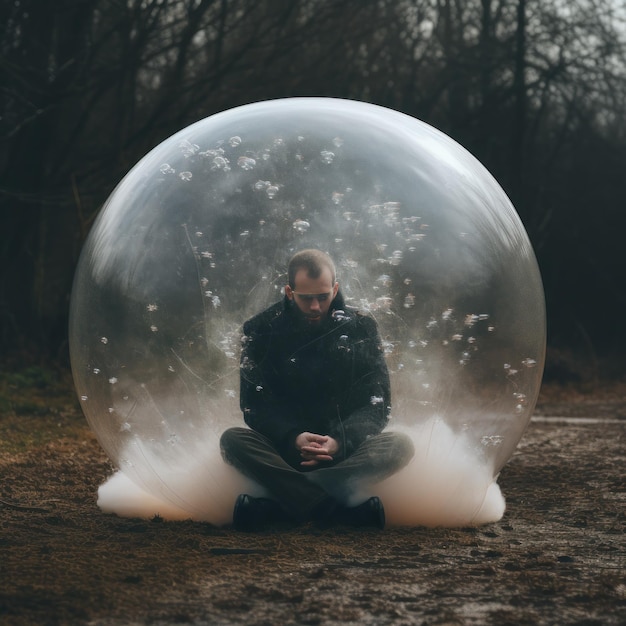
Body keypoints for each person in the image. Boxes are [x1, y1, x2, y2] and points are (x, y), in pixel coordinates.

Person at [220, 249, 414, 531]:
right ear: (289, 291)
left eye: (323, 297)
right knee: (232, 440)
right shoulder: (259, 329)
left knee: (400, 445)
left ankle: (281, 506)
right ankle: (338, 510)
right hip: (285, 454)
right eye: (306, 298)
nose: (315, 306)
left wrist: (338, 442)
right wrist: (294, 437)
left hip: (343, 456)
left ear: (335, 289)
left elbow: (377, 404)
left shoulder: (362, 327)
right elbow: (255, 405)